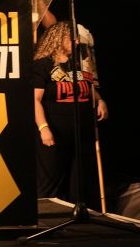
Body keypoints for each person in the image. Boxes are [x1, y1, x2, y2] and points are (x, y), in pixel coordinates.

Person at [32, 22, 107, 204]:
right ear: (58, 39)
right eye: (71, 38)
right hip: (55, 133)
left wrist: (100, 101)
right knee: (49, 183)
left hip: (81, 134)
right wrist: (43, 128)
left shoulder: (80, 64)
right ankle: (46, 217)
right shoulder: (43, 65)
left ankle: (77, 216)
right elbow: (34, 100)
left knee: (78, 184)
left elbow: (87, 87)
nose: (76, 42)